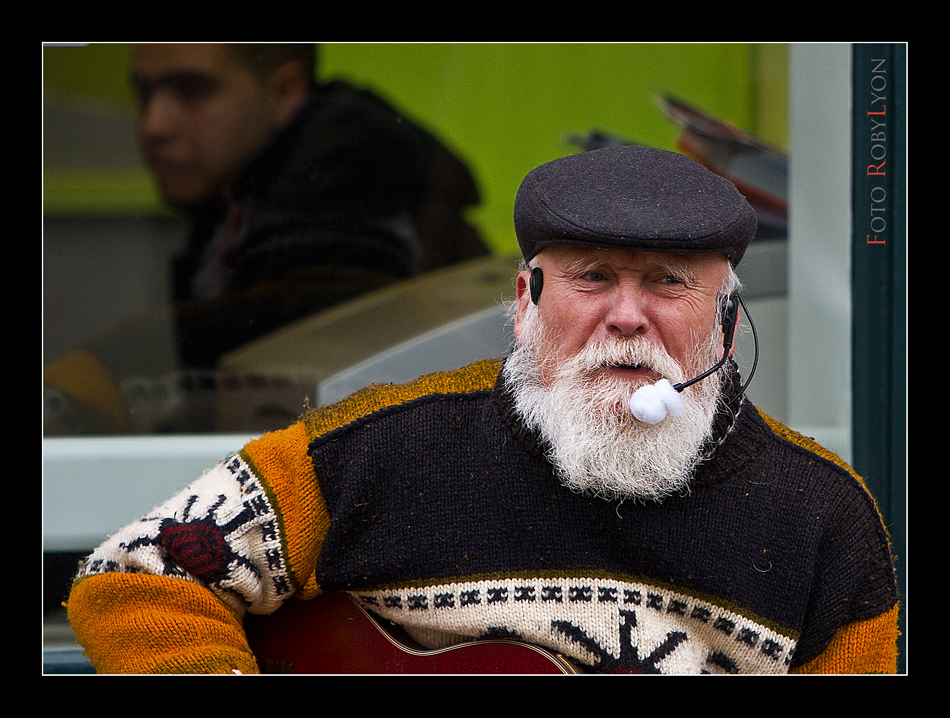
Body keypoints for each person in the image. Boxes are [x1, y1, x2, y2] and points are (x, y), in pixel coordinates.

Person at [66, 146, 899, 674]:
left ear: (725, 319)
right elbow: (140, 577)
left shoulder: (825, 521)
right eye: (593, 277)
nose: (627, 315)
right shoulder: (382, 449)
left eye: (669, 283)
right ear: (525, 302)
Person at [43, 43, 488, 434]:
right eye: (144, 93)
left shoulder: (347, 168)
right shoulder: (239, 188)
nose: (155, 124)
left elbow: (337, 310)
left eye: (192, 90)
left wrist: (115, 361)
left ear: (284, 94)